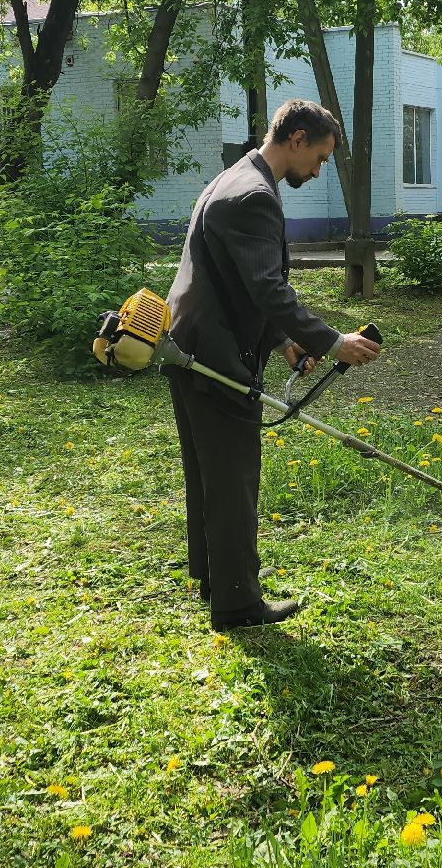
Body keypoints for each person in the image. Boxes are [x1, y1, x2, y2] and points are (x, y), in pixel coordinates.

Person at [164, 99, 382, 631]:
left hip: (189, 346)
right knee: (234, 476)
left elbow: (239, 280)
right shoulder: (255, 196)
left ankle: (216, 578)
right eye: (321, 157)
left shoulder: (232, 180)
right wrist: (332, 342)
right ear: (298, 137)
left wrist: (285, 342)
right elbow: (266, 286)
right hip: (214, 356)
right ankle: (237, 603)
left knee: (210, 473)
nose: (320, 169)